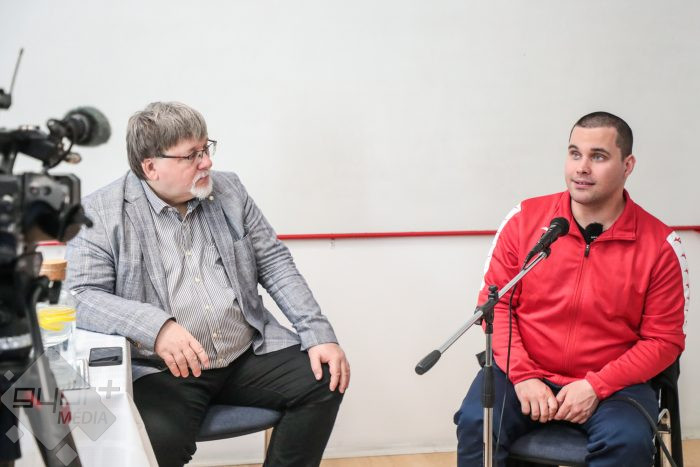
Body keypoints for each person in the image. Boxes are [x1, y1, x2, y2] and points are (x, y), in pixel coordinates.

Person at [66, 101, 350, 467]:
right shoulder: (100, 213)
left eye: (206, 149)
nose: (206, 163)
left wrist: (318, 333)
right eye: (192, 156)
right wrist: (157, 327)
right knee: (156, 444)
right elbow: (81, 296)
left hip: (244, 353)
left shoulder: (229, 190)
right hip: (163, 370)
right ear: (151, 167)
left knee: (325, 379)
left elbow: (275, 263)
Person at [454, 111, 688, 466]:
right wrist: (523, 374)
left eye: (598, 156)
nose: (582, 168)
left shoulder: (660, 245)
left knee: (626, 441)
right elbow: (495, 306)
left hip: (614, 386)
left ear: (627, 166)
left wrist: (596, 386)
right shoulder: (524, 221)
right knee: (477, 423)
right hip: (525, 371)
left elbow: (663, 340)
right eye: (575, 153)